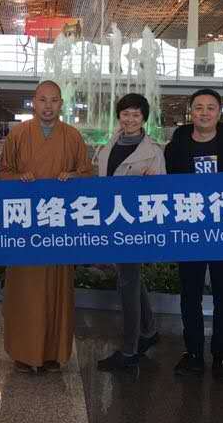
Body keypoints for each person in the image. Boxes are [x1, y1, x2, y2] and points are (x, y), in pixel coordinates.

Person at [164, 88, 223, 384]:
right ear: (191, 112)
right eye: (198, 107)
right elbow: (162, 186)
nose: (204, 113)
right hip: (189, 234)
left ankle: (222, 356)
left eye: (210, 108)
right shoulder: (176, 147)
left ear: (219, 113)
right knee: (190, 296)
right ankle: (193, 353)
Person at [0, 80, 93, 373]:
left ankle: (53, 353)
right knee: (24, 291)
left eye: (54, 100)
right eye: (42, 100)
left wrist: (73, 177)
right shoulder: (18, 134)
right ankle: (23, 353)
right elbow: (3, 173)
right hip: (25, 228)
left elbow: (87, 175)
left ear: (61, 103)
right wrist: (19, 178)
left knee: (57, 292)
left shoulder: (73, 136)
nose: (48, 106)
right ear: (34, 103)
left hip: (58, 229)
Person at [95, 93, 165, 371]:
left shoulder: (153, 152)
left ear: (144, 118)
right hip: (114, 220)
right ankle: (149, 330)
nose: (130, 119)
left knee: (127, 282)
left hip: (136, 226)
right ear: (119, 116)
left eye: (136, 114)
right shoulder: (110, 143)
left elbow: (159, 192)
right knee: (130, 278)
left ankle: (129, 350)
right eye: (125, 113)